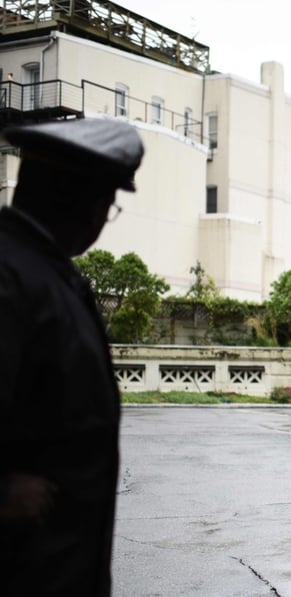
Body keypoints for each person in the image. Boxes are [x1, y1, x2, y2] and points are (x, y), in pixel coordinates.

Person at [0, 118, 144, 595]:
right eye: (107, 203)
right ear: (75, 198)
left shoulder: (45, 271)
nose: (105, 219)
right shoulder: (11, 274)